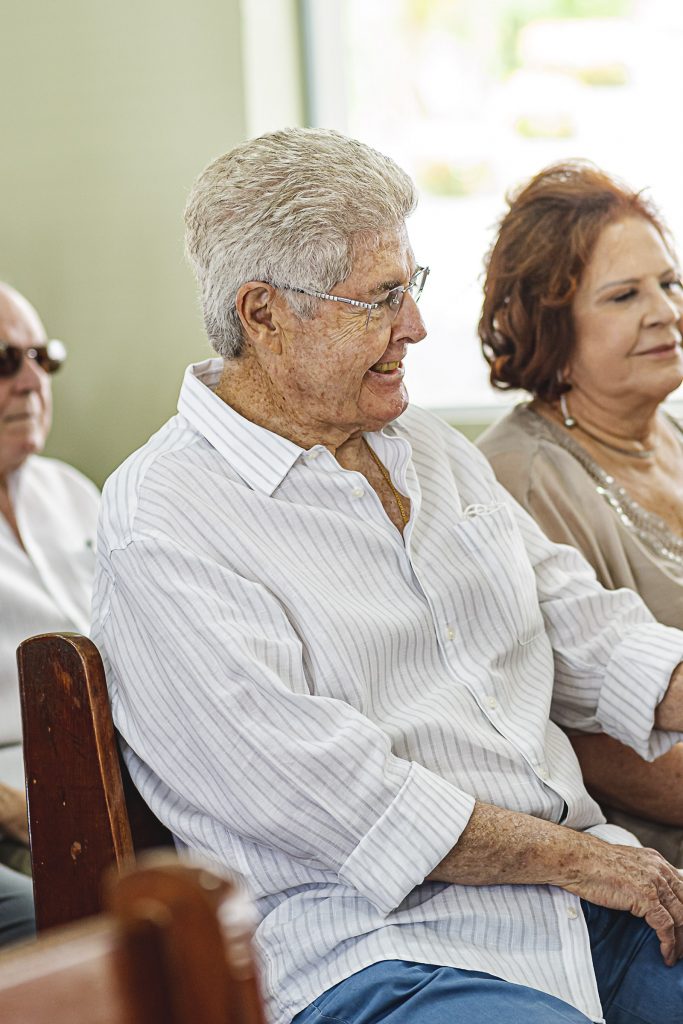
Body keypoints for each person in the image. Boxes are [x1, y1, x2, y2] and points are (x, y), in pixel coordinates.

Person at [93, 130, 683, 1024]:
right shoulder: (163, 520)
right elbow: (340, 801)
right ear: (263, 313)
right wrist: (590, 860)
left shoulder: (428, 452)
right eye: (380, 299)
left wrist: (594, 867)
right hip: (372, 955)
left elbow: (582, 629)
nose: (413, 325)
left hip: (575, 914)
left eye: (412, 287)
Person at [476, 161, 683, 865]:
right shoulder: (518, 479)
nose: (663, 310)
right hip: (649, 852)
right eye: (624, 295)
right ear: (547, 328)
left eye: (668, 283)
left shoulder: (670, 430)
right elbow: (577, 746)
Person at [0, 282, 99, 943]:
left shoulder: (73, 492)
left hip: (123, 779)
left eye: (44, 357)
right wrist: (24, 814)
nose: (33, 380)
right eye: (4, 362)